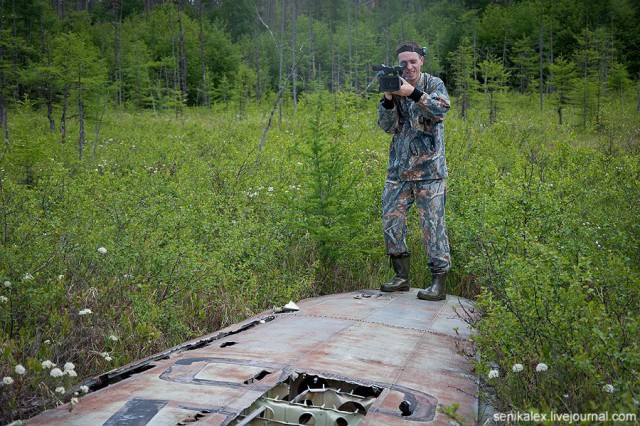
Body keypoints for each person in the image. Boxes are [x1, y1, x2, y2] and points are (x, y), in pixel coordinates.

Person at [377, 40, 451, 301]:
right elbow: (386, 126)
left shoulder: (433, 84)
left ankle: (438, 283)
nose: (407, 67)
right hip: (399, 171)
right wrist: (388, 98)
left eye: (412, 61)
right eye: (403, 63)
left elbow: (441, 109)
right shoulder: (394, 84)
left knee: (433, 227)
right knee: (391, 222)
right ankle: (401, 277)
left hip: (429, 171)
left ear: (421, 61)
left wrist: (412, 93)